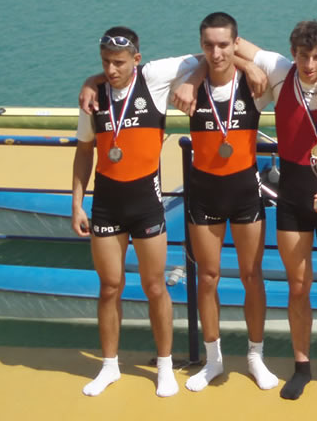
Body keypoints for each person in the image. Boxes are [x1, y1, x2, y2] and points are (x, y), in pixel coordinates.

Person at [231, 19, 317, 403]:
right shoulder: (280, 70)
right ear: (292, 53)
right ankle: (302, 366)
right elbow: (231, 44)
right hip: (291, 196)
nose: (310, 65)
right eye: (303, 56)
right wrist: (247, 67)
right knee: (297, 287)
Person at [71, 27, 199, 397]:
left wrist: (191, 84)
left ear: (136, 60)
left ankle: (165, 365)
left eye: (119, 63)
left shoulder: (154, 78)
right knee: (109, 286)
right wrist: (77, 204)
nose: (111, 70)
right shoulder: (93, 98)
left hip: (146, 203)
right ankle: (109, 366)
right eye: (105, 63)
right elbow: (84, 151)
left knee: (155, 286)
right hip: (106, 204)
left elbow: (206, 57)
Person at [182, 12, 277, 392]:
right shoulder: (188, 83)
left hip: (244, 194)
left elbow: (300, 70)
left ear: (236, 43)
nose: (216, 52)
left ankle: (255, 356)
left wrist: (245, 63)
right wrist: (90, 82)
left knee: (252, 276)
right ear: (201, 45)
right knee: (207, 278)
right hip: (204, 193)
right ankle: (213, 360)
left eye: (224, 45)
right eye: (209, 45)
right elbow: (130, 75)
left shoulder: (256, 83)